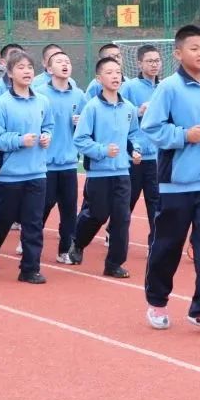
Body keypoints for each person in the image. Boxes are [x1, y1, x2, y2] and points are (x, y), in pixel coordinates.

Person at [141, 24, 200, 334]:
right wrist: (183, 135)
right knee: (167, 245)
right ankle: (157, 302)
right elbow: (151, 128)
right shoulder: (168, 87)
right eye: (195, 48)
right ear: (178, 53)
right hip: (175, 183)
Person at [0, 50, 52, 284]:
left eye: (29, 67)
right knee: (3, 220)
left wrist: (47, 135)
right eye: (20, 67)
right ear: (9, 73)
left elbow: (49, 125)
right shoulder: (1, 104)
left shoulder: (42, 101)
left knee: (33, 222)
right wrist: (19, 140)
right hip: (9, 175)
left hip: (37, 172)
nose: (27, 71)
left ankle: (29, 268)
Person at [69, 57, 142, 278]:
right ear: (99, 79)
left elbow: (133, 134)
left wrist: (135, 150)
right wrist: (102, 150)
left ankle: (114, 264)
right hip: (99, 172)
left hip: (122, 172)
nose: (115, 76)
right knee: (97, 214)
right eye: (109, 73)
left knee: (122, 218)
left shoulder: (128, 107)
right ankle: (78, 242)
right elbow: (80, 139)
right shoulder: (92, 107)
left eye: (118, 72)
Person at [40, 51, 84, 264]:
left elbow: (86, 127)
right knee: (43, 206)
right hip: (45, 163)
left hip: (68, 161)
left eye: (67, 61)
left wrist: (80, 122)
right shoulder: (39, 94)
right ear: (49, 69)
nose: (65, 64)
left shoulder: (79, 95)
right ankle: (30, 241)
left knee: (69, 208)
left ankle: (65, 249)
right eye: (59, 62)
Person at [119, 44, 163, 223]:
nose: (154, 64)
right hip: (134, 157)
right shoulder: (129, 87)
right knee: (128, 200)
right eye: (149, 61)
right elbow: (119, 114)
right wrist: (138, 111)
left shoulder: (164, 87)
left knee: (156, 203)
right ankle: (113, 230)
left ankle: (154, 247)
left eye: (157, 61)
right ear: (139, 64)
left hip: (157, 157)